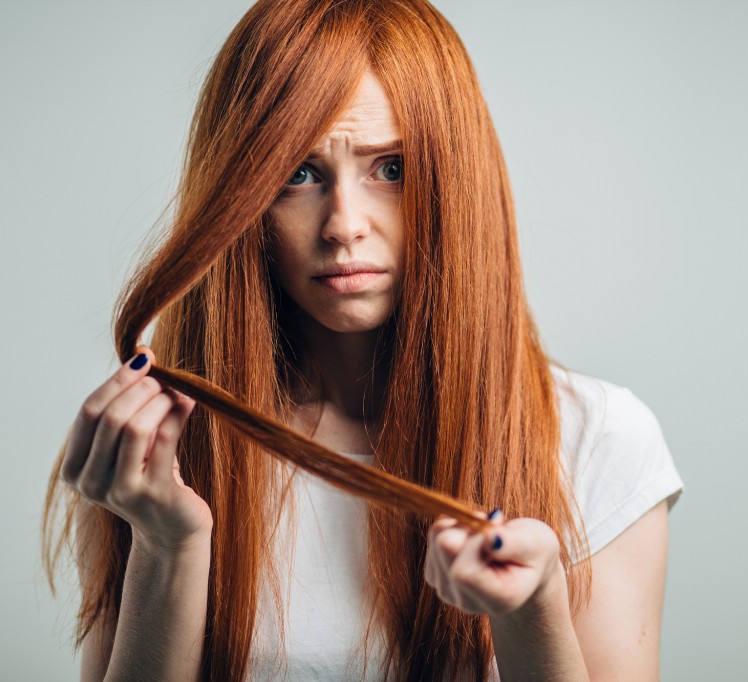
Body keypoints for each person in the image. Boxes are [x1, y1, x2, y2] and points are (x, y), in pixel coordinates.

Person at [43, 0, 684, 680]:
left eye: (391, 169)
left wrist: (535, 611)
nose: (344, 225)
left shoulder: (601, 441)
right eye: (297, 174)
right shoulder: (145, 457)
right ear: (238, 199)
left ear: (455, 183)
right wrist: (166, 545)